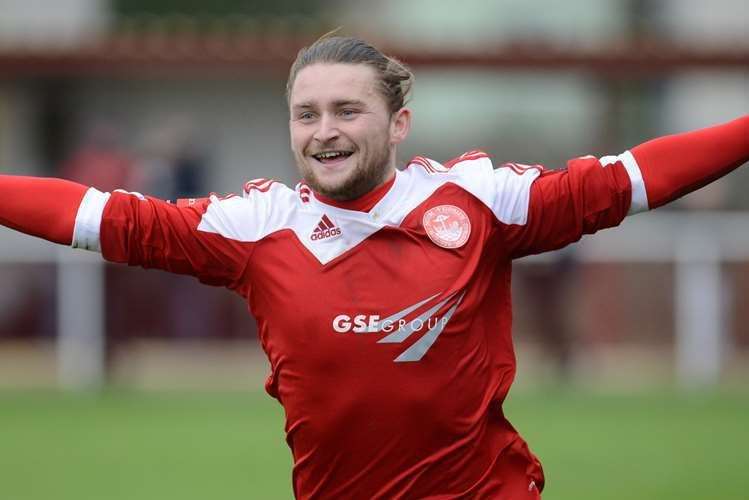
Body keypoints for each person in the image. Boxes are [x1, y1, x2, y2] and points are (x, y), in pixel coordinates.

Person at [1, 35, 747, 499]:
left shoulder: (478, 202)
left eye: (347, 111)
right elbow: (103, 218)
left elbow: (626, 181)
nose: (324, 132)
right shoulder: (256, 226)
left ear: (397, 124)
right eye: (306, 114)